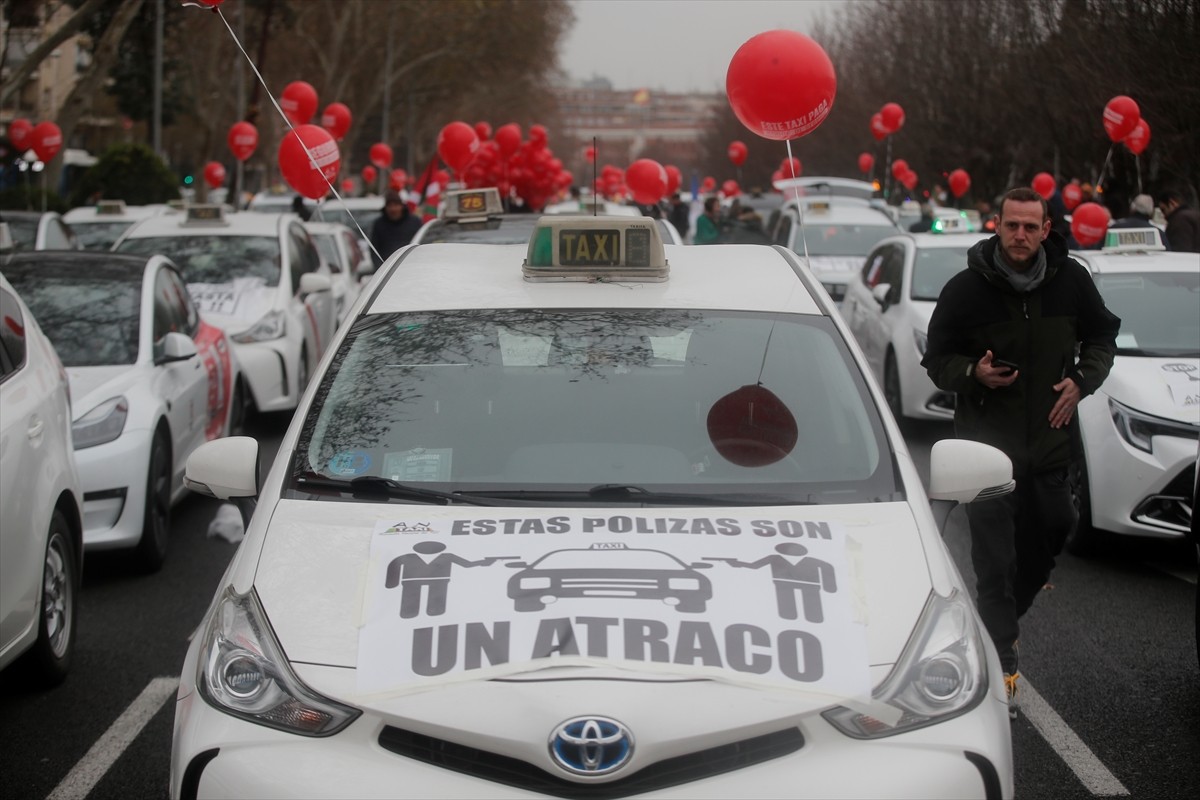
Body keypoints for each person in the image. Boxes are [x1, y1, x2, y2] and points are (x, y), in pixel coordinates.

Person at [921, 187, 1121, 718]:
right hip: (986, 455)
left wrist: (1082, 381)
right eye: (1012, 226)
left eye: (1031, 227)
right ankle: (1001, 663)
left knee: (1053, 533)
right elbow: (936, 358)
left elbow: (1104, 336)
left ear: (1047, 228)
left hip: (1051, 448)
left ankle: (999, 625)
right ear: (997, 224)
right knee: (994, 563)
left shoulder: (1072, 281)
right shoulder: (966, 289)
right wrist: (973, 374)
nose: (1021, 236)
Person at [369, 190, 422, 264]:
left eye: (396, 205)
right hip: (387, 269)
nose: (393, 209)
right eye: (390, 206)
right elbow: (374, 249)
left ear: (402, 206)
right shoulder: (379, 224)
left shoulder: (415, 222)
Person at [1157, 185, 1200, 252]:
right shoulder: (1194, 215)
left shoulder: (1180, 220)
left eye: (1163, 210)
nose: (1163, 215)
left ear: (1172, 203)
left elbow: (1181, 250)